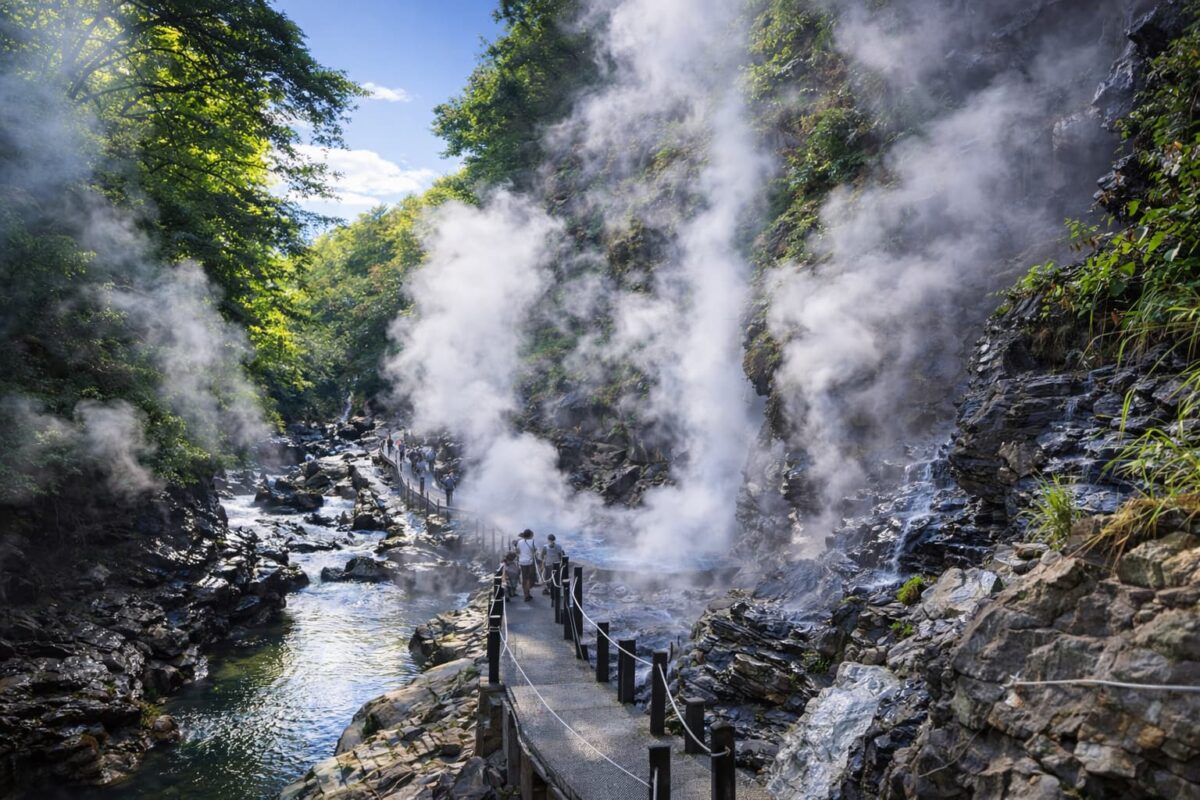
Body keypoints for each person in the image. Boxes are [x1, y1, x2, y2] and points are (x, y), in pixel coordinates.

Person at [515, 529, 538, 602]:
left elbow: (517, 551)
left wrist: (522, 554)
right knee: (530, 577)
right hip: (530, 562)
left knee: (524, 578)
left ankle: (526, 594)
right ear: (530, 535)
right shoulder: (532, 541)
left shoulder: (519, 542)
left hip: (522, 562)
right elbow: (535, 550)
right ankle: (528, 592)